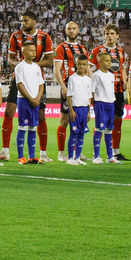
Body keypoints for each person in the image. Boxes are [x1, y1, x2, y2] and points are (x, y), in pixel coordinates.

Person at [3, 10, 53, 160]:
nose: (23, 23)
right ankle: (5, 151)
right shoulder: (15, 36)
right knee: (8, 111)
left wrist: (31, 66)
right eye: (22, 21)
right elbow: (10, 59)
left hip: (37, 80)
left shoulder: (44, 37)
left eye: (26, 21)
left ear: (34, 21)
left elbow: (50, 60)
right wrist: (22, 65)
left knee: (40, 115)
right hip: (18, 78)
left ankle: (42, 153)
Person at [89, 25, 127, 161]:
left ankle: (115, 152)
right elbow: (89, 67)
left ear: (117, 35)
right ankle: (96, 153)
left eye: (112, 33)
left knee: (117, 120)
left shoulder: (121, 52)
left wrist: (125, 81)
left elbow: (122, 68)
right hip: (102, 93)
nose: (109, 36)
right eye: (107, 34)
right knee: (100, 124)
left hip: (116, 91)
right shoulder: (97, 51)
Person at [51, 21, 87, 161]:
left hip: (82, 88)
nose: (72, 31)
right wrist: (63, 87)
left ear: (78, 30)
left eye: (74, 28)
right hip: (68, 86)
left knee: (80, 119)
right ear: (66, 31)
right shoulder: (61, 48)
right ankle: (61, 153)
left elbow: (87, 70)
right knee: (64, 119)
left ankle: (77, 152)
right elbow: (56, 70)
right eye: (69, 29)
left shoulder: (83, 49)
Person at [14, 42, 45, 164]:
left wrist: (37, 99)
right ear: (23, 52)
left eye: (34, 50)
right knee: (22, 127)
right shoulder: (20, 67)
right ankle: (20, 157)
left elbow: (41, 84)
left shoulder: (36, 67)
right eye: (31, 50)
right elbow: (19, 85)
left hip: (35, 101)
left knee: (33, 127)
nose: (34, 52)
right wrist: (31, 99)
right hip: (24, 100)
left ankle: (31, 156)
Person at [64, 56, 93, 165]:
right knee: (73, 133)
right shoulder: (72, 78)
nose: (81, 66)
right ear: (76, 64)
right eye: (79, 64)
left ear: (86, 65)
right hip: (75, 109)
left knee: (81, 133)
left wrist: (89, 111)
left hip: (84, 109)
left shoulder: (88, 80)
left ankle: (77, 158)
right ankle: (70, 158)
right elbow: (69, 96)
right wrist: (71, 110)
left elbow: (89, 97)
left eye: (84, 64)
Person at [91, 53, 117, 164]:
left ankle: (109, 156)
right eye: (106, 60)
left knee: (109, 129)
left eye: (110, 60)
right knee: (99, 128)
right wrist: (93, 104)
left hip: (111, 103)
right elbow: (92, 91)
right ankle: (96, 156)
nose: (109, 62)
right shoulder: (96, 75)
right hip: (100, 103)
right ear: (100, 62)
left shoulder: (111, 75)